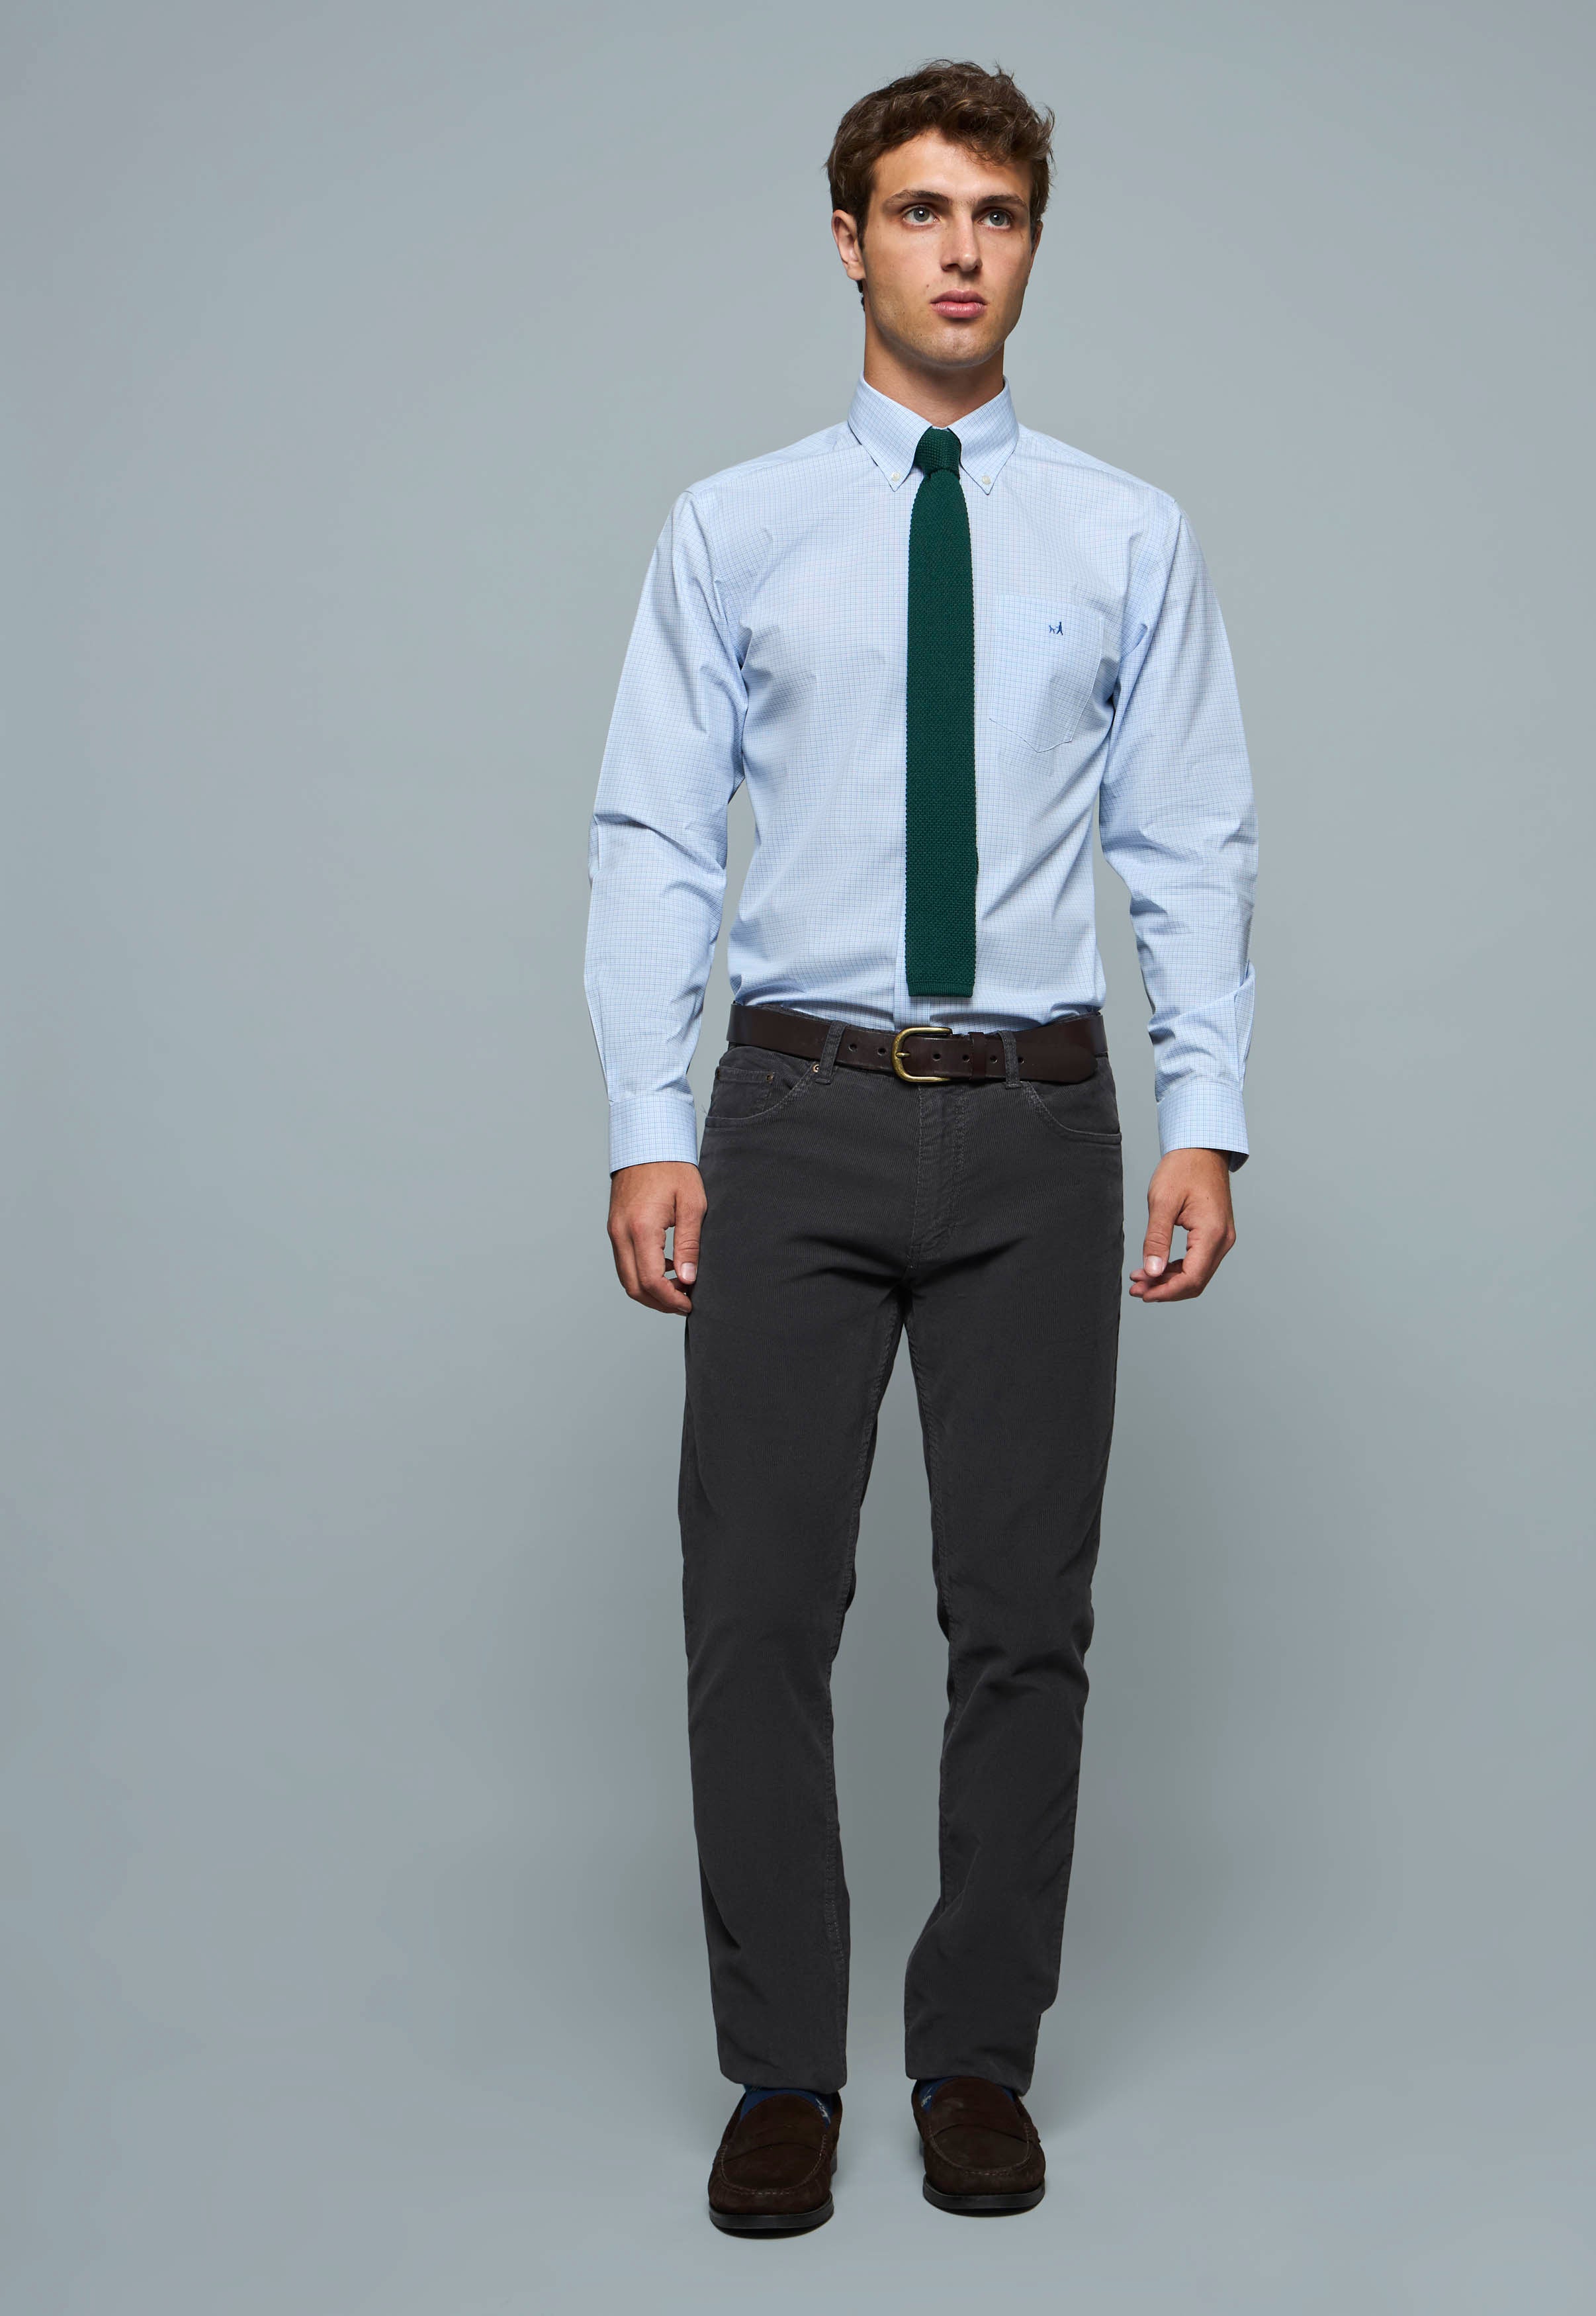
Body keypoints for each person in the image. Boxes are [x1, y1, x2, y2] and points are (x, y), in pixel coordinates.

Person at [583, 58, 1257, 2233]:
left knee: (1022, 1618)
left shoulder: (1126, 536)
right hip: (790, 1111)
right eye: (919, 209)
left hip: (1038, 1121)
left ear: (1029, 246)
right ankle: (781, 2071)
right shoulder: (733, 528)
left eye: (996, 214)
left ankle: (975, 2058)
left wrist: (1205, 1114)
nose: (960, 251)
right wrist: (646, 1119)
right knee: (755, 1609)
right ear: (848, 238)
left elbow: (1188, 841)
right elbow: (655, 836)